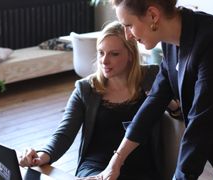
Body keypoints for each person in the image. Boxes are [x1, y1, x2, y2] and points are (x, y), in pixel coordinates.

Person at [97, 0, 213, 180]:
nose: (127, 36)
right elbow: (155, 100)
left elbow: (201, 125)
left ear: (153, 15)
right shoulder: (171, 42)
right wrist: (115, 162)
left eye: (129, 25)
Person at [19, 21, 169, 179]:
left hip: (141, 169)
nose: (104, 61)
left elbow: (179, 112)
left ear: (130, 55)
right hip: (95, 167)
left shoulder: (152, 77)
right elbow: (64, 134)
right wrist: (43, 155)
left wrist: (172, 105)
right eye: (101, 53)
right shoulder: (86, 89)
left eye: (114, 54)